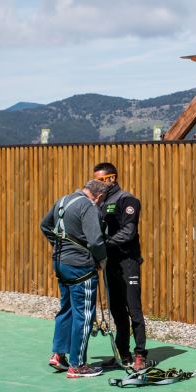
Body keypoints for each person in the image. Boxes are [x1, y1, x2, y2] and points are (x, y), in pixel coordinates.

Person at [40, 179, 108, 378]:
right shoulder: (87, 206)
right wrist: (101, 260)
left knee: (66, 308)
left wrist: (59, 245)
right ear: (99, 196)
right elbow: (95, 240)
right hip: (81, 266)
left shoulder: (63, 200)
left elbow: (45, 226)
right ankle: (77, 365)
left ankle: (59, 355)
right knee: (84, 315)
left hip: (60, 262)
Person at [93, 162, 150, 372]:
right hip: (111, 263)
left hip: (128, 262)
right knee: (116, 309)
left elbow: (129, 232)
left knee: (133, 309)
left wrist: (104, 244)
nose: (96, 184)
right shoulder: (100, 203)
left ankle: (140, 354)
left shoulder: (128, 200)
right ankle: (122, 352)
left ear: (112, 178)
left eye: (99, 180)